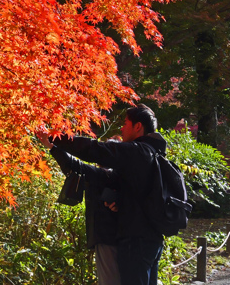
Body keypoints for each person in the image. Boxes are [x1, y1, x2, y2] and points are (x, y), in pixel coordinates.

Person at [51, 104, 169, 285]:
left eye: (126, 123)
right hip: (151, 237)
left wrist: (56, 137)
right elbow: (100, 175)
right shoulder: (154, 155)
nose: (122, 128)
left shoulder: (137, 151)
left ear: (138, 127)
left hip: (136, 239)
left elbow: (95, 150)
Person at [50, 145, 122, 285]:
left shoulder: (105, 175)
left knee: (109, 281)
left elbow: (76, 166)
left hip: (106, 237)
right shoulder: (120, 176)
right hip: (119, 238)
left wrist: (52, 146)